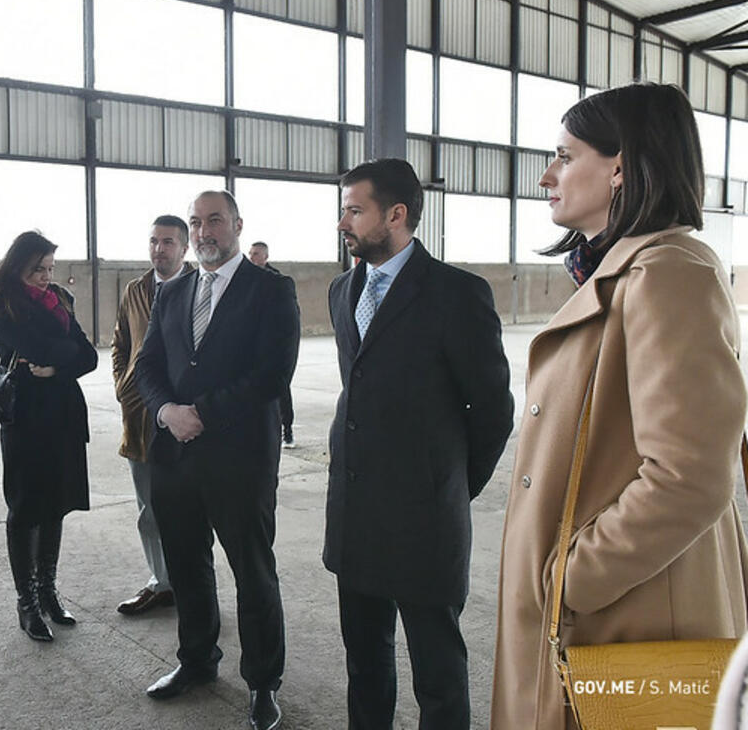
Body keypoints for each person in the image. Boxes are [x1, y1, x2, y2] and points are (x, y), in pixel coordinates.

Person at [491, 83, 748, 729]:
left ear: (620, 168)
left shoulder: (667, 274)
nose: (547, 176)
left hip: (627, 617)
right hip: (600, 609)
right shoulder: (620, 271)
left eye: (564, 155)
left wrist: (574, 579)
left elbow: (689, 476)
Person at [325, 159, 513, 730]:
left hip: (425, 522)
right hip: (356, 513)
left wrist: (448, 485)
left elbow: (493, 411)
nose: (343, 222)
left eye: (354, 210)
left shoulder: (456, 294)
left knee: (438, 672)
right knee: (365, 664)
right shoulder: (342, 290)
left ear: (396, 215)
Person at [136, 190, 300, 730]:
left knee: (253, 573)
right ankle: (197, 660)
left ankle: (263, 682)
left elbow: (271, 375)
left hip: (240, 460)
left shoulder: (270, 290)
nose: (204, 232)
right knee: (186, 567)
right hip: (174, 458)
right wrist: (167, 412)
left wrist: (201, 413)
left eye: (214, 221)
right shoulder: (173, 291)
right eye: (196, 222)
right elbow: (147, 366)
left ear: (237, 225)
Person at [0, 231, 98, 643]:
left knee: (56, 505)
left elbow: (89, 356)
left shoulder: (60, 300)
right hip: (26, 418)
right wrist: (61, 355)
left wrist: (54, 368)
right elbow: (37, 346)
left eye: (50, 268)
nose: (47, 277)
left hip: (64, 417)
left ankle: (48, 590)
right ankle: (27, 601)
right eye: (38, 270)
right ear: (18, 267)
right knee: (25, 507)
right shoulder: (3, 303)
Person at [111, 215, 191, 616]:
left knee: (189, 510)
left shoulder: (199, 287)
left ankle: (191, 584)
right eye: (154, 241)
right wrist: (123, 387)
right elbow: (120, 343)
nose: (159, 249)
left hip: (183, 419)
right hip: (140, 416)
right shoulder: (135, 290)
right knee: (148, 508)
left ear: (185, 248)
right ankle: (161, 583)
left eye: (168, 242)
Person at [247, 241, 297, 448]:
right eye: (250, 253)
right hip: (252, 345)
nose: (252, 257)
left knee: (281, 389)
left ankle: (288, 431)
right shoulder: (244, 279)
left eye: (256, 254)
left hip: (273, 344)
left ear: (265, 257)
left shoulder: (278, 282)